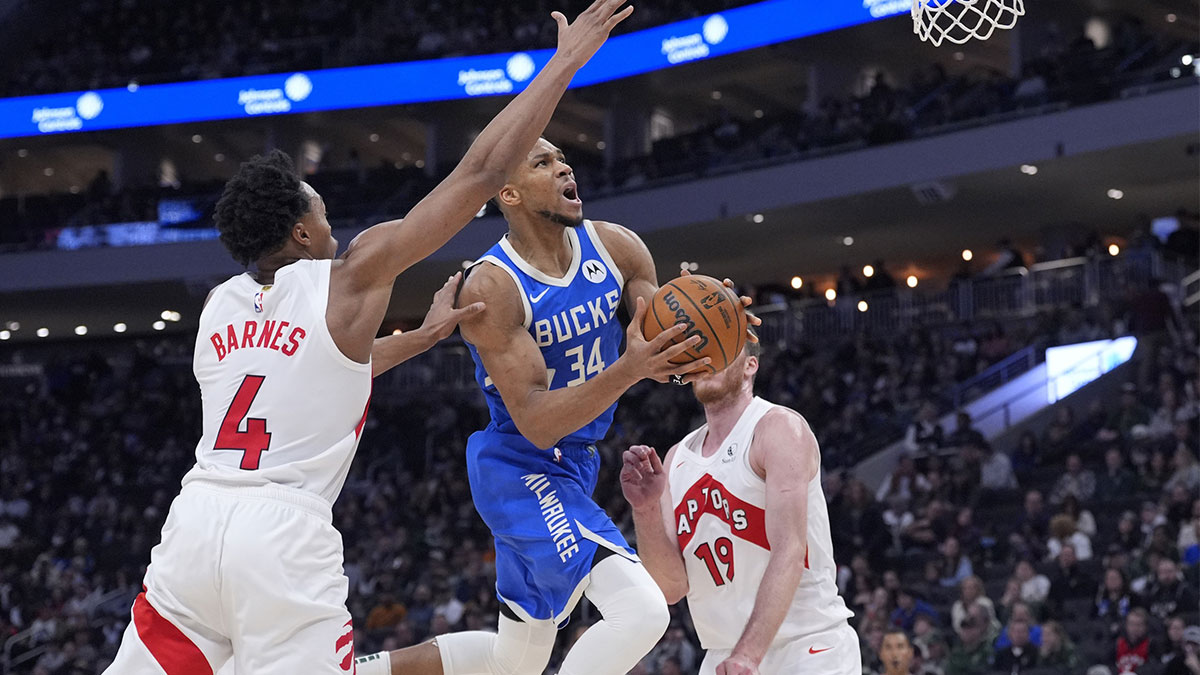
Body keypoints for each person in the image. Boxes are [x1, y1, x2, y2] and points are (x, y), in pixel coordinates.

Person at [102, 2, 627, 673]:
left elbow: (311, 373)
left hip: (195, 524)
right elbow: (479, 175)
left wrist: (422, 336)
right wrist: (563, 65)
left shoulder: (220, 307)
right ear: (300, 233)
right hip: (282, 536)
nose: (332, 224)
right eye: (321, 210)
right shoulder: (345, 282)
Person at [619, 342, 860, 675]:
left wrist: (748, 655)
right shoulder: (676, 458)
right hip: (724, 654)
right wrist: (644, 510)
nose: (706, 360)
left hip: (808, 646)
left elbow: (790, 549)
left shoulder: (777, 428)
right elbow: (671, 587)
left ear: (750, 365)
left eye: (721, 347)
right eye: (700, 351)